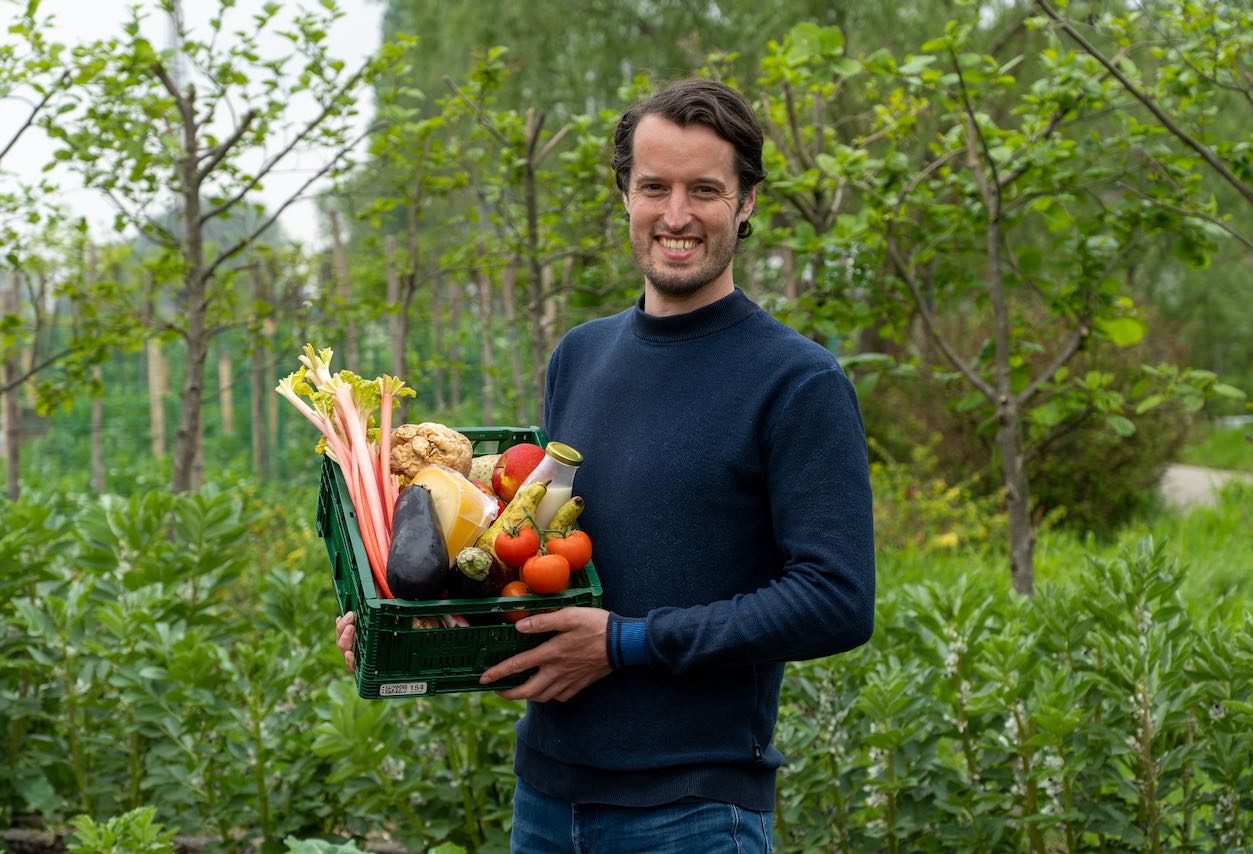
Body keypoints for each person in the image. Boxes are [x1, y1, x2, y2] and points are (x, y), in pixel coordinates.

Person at [337, 78, 875, 852]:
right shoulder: (580, 357)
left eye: (706, 190)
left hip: (694, 809)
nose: (677, 215)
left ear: (748, 201)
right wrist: (413, 617)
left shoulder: (797, 382)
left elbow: (836, 600)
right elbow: (534, 556)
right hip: (546, 800)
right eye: (654, 186)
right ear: (625, 192)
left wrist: (625, 644)